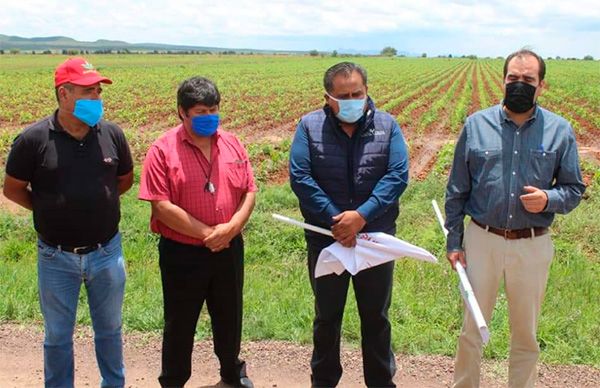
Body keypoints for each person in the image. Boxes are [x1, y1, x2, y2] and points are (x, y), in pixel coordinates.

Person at [444, 49, 586, 388]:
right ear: (503, 80)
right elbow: (457, 189)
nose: (519, 85)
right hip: (482, 239)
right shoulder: (477, 125)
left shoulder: (559, 131)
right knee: (472, 328)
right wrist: (454, 242)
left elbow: (574, 188)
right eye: (513, 79)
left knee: (525, 333)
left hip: (532, 245)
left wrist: (548, 199)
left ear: (541, 86)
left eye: (528, 80)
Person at [3, 57, 133, 388]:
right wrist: (48, 210)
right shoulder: (33, 140)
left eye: (98, 92)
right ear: (64, 94)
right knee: (58, 335)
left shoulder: (112, 135)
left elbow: (125, 180)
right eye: (89, 91)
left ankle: (113, 384)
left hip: (107, 253)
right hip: (55, 256)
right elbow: (13, 189)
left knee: (110, 329)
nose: (97, 99)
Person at [289, 61, 409, 388]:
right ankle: (324, 381)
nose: (353, 99)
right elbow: (300, 177)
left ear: (367, 91)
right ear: (328, 97)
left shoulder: (388, 125)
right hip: (327, 240)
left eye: (358, 92)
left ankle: (381, 382)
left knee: (376, 318)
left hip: (375, 239)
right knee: (327, 318)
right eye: (344, 95)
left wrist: (362, 216)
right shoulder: (309, 127)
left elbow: (397, 175)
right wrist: (337, 220)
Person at [139, 76, 257, 388]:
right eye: (200, 112)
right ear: (182, 112)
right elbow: (160, 206)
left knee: (230, 316)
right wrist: (209, 233)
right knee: (180, 321)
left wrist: (231, 228)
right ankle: (174, 380)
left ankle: (232, 374)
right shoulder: (162, 150)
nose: (209, 117)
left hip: (229, 247)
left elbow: (249, 192)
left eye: (213, 109)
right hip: (183, 253)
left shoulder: (232, 142)